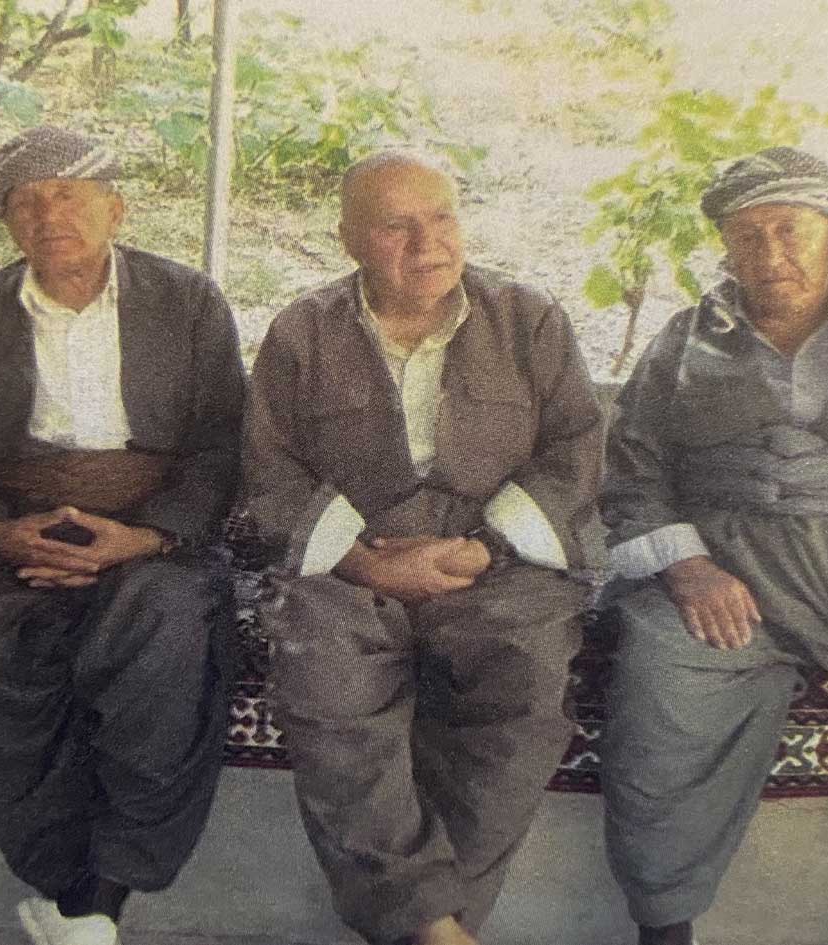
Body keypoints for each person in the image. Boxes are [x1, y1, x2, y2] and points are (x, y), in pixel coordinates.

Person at [241, 150, 604, 945]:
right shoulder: (302, 332)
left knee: (527, 689)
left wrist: (486, 548)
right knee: (329, 688)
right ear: (349, 242)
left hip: (495, 563)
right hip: (352, 566)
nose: (429, 243)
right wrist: (367, 559)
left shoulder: (527, 318)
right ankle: (440, 933)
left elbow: (576, 447)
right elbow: (267, 471)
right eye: (397, 225)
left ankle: (429, 928)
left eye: (442, 217)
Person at [0, 126, 246, 945]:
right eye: (25, 202)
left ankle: (111, 882)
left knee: (165, 628)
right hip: (12, 524)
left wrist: (150, 535)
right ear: (7, 225)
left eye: (68, 195)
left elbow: (224, 442)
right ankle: (66, 870)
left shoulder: (188, 301)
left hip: (149, 528)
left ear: (116, 209)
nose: (48, 214)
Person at [600, 146, 828, 945]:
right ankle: (666, 929)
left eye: (790, 230)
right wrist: (687, 569)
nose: (769, 255)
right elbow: (633, 475)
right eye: (746, 235)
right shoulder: (683, 340)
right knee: (654, 697)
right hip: (727, 586)